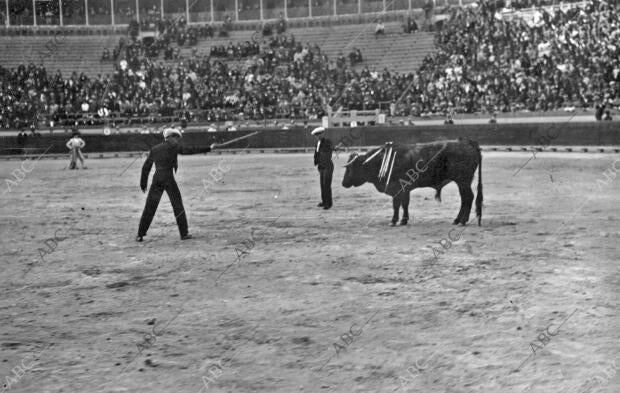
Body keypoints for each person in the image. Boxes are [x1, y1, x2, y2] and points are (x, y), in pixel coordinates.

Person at [136, 127, 217, 242]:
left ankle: (140, 234)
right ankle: (184, 233)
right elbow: (190, 150)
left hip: (157, 179)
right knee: (178, 206)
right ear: (169, 138)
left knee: (150, 207)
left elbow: (146, 167)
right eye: (175, 137)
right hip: (168, 179)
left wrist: (143, 183)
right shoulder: (173, 147)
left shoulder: (155, 149)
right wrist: (209, 148)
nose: (177, 140)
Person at [312, 127, 333, 210]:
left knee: (326, 185)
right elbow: (316, 154)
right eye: (316, 135)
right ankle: (324, 201)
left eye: (318, 134)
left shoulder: (327, 142)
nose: (317, 137)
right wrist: (317, 163)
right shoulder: (317, 143)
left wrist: (334, 148)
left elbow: (330, 147)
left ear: (322, 134)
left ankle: (329, 203)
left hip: (328, 166)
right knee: (322, 185)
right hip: (321, 166)